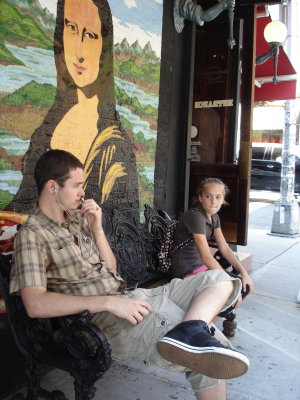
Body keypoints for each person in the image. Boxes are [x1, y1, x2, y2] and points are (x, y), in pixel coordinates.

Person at [10, 150, 250, 400]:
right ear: (52, 187)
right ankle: (191, 335)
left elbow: (111, 268)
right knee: (214, 356)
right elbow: (35, 304)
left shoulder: (76, 219)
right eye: (77, 185)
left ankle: (190, 329)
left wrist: (97, 229)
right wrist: (107, 302)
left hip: (129, 297)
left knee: (221, 280)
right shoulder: (33, 235)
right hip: (100, 321)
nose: (83, 192)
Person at [6, 0, 139, 217]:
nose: (79, 51)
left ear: (104, 46)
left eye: (90, 36)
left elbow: (119, 226)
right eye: (72, 29)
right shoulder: (51, 123)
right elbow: (24, 201)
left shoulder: (113, 146)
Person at [171, 178, 254, 314]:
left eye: (218, 197)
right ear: (200, 198)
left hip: (200, 266)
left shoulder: (214, 217)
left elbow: (224, 248)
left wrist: (244, 273)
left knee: (244, 285)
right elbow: (206, 257)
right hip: (187, 269)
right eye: (208, 196)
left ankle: (205, 319)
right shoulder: (196, 217)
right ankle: (201, 321)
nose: (213, 201)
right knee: (233, 289)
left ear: (223, 199)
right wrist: (230, 283)